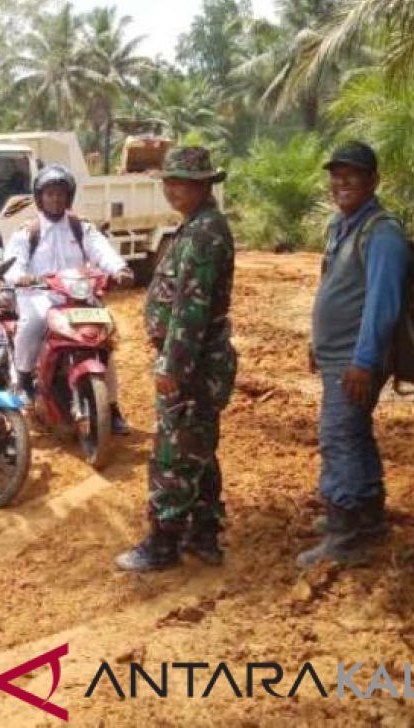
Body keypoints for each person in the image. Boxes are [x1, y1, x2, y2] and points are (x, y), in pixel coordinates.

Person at [115, 146, 236, 572]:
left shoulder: (204, 234)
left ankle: (163, 543)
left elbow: (190, 308)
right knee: (197, 446)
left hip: (193, 363)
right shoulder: (196, 226)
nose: (173, 189)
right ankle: (203, 534)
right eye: (169, 181)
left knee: (173, 451)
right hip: (197, 360)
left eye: (182, 182)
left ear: (203, 185)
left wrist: (172, 367)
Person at [298, 141, 409, 567]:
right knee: (355, 434)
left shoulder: (382, 232)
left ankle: (346, 537)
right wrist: (316, 343)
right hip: (337, 357)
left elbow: (383, 304)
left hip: (355, 362)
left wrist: (363, 362)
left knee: (338, 437)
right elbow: (335, 291)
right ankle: (368, 518)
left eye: (353, 175)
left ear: (373, 181)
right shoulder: (341, 226)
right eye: (336, 175)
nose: (341, 183)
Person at [4, 164, 133, 434]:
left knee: (102, 341)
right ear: (40, 198)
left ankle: (112, 407)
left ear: (69, 196)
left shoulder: (80, 227)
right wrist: (21, 277)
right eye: (49, 194)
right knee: (34, 322)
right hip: (40, 295)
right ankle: (25, 379)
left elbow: (101, 251)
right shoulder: (28, 230)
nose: (55, 199)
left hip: (78, 297)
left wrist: (118, 269)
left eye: (61, 193)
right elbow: (13, 263)